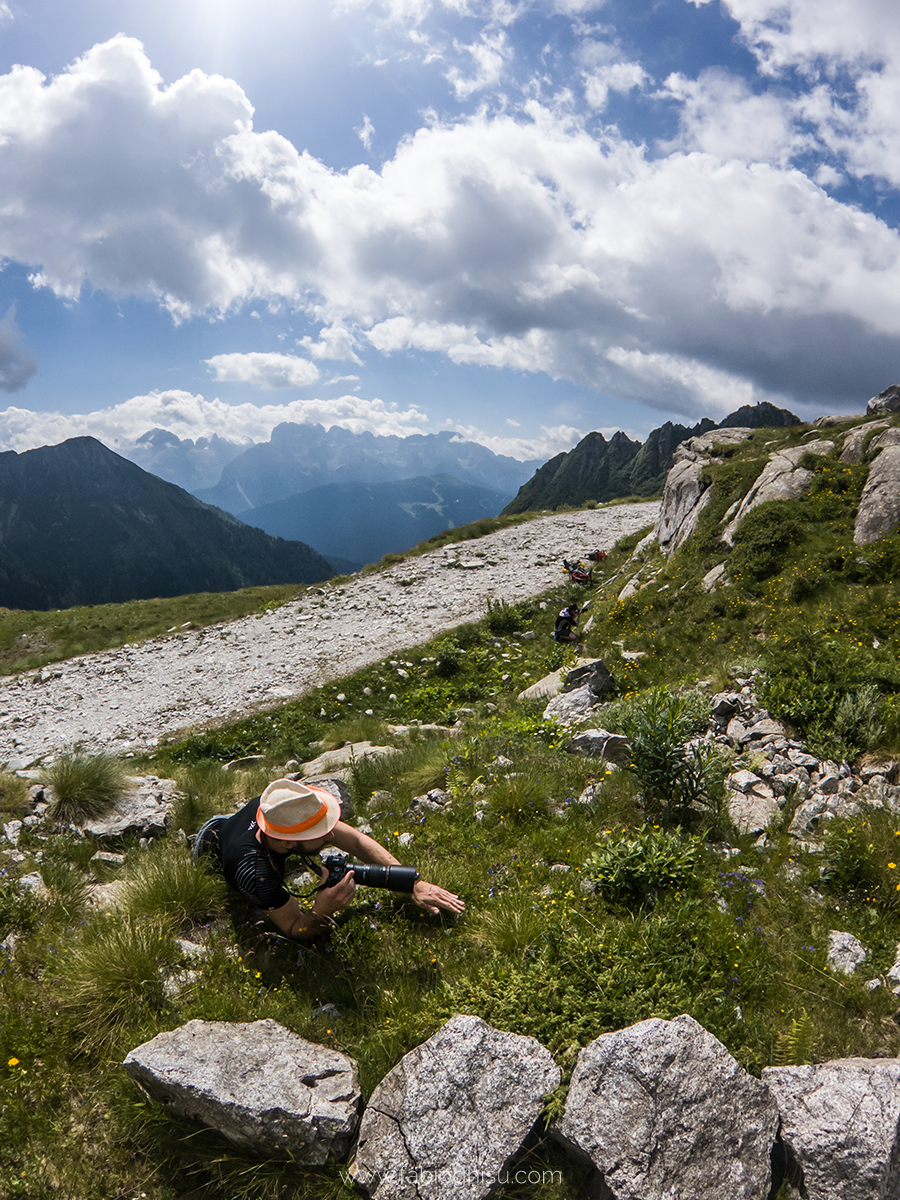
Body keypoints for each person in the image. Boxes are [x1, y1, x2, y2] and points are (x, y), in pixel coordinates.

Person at [194, 778, 465, 940]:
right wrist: (322, 911)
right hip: (211, 847)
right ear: (288, 841)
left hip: (232, 825)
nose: (331, 833)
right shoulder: (256, 874)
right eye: (319, 832)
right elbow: (294, 928)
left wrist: (412, 883)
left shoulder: (278, 808)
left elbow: (356, 840)